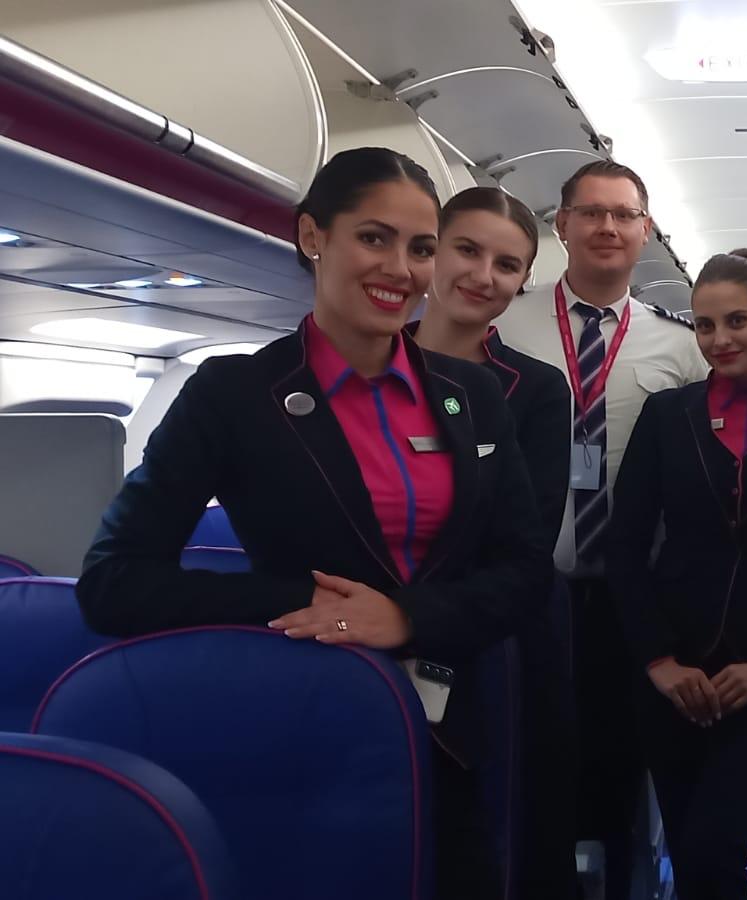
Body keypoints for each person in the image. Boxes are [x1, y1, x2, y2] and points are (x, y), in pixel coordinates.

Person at [75, 147, 552, 899]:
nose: (400, 268)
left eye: (420, 248)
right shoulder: (235, 392)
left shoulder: (470, 396)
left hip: (456, 726)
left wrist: (406, 616)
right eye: (374, 238)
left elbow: (523, 569)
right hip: (301, 725)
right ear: (312, 235)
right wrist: (303, 604)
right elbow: (113, 582)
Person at [494, 159, 706, 898]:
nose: (608, 227)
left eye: (624, 215)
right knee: (533, 769)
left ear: (646, 231)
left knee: (623, 769)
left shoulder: (680, 347)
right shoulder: (503, 324)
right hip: (527, 592)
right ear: (562, 225)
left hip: (632, 599)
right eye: (591, 212)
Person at [608, 249, 747, 900]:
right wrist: (658, 661)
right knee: (690, 854)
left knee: (716, 847)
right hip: (676, 671)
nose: (720, 339)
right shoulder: (667, 415)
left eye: (737, 321)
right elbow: (625, 545)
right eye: (705, 325)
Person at [409, 186, 576, 899]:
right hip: (372, 634)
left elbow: (526, 537)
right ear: (432, 252)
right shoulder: (365, 367)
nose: (483, 276)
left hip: (500, 640)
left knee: (505, 835)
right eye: (466, 250)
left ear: (523, 280)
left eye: (506, 265)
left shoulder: (535, 390)